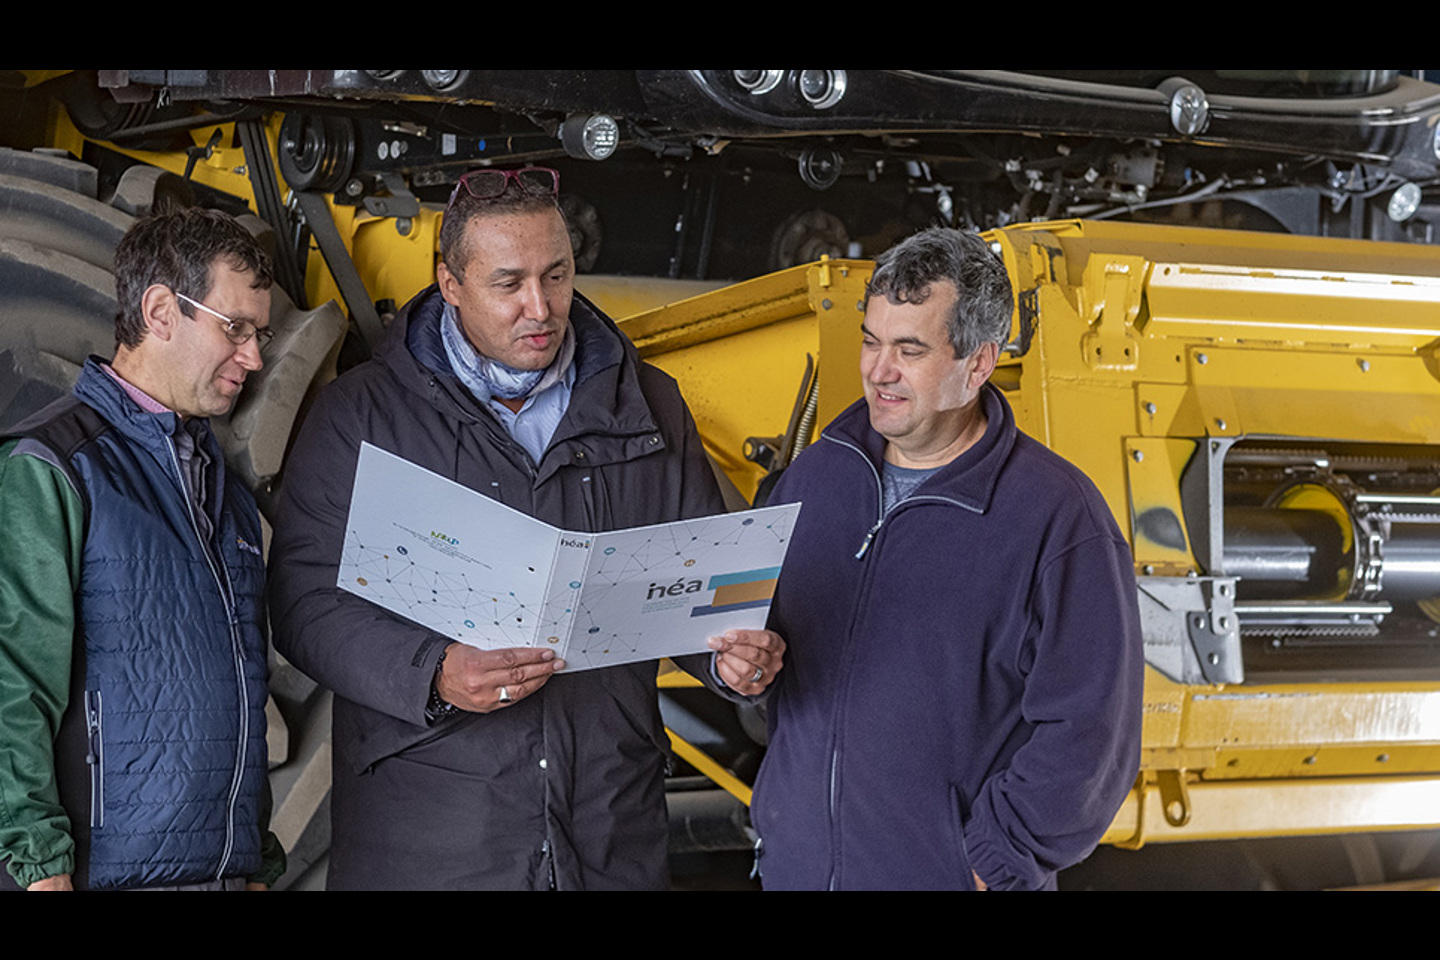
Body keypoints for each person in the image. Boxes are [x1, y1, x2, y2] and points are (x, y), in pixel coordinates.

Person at [266, 166, 784, 890]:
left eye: (557, 276)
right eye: (508, 284)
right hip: (431, 832)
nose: (540, 307)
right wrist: (433, 673)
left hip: (606, 824)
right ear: (450, 284)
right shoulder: (363, 416)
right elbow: (303, 600)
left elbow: (699, 587)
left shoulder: (650, 406)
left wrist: (729, 662)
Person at [749, 226, 1143, 890]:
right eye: (871, 342)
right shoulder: (816, 478)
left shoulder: (1056, 518)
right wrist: (737, 667)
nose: (879, 371)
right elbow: (758, 641)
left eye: (910, 350)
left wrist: (989, 862)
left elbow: (1091, 736)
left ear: (978, 363)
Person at [0, 207, 286, 891]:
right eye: (235, 328)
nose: (253, 357)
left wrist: (256, 858)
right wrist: (39, 863)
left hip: (221, 874)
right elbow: (13, 681)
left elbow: (242, 690)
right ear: (160, 311)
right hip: (95, 878)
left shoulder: (225, 492)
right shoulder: (54, 468)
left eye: (260, 334)